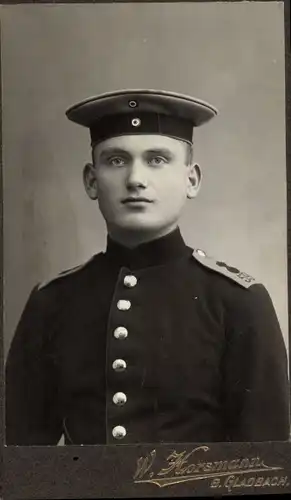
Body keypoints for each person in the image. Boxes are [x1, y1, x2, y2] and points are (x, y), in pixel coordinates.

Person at [5, 89, 290, 445]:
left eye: (157, 159)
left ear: (192, 180)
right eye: (116, 160)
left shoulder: (238, 302)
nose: (136, 179)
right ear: (92, 181)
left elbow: (265, 466)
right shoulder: (50, 303)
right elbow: (22, 467)